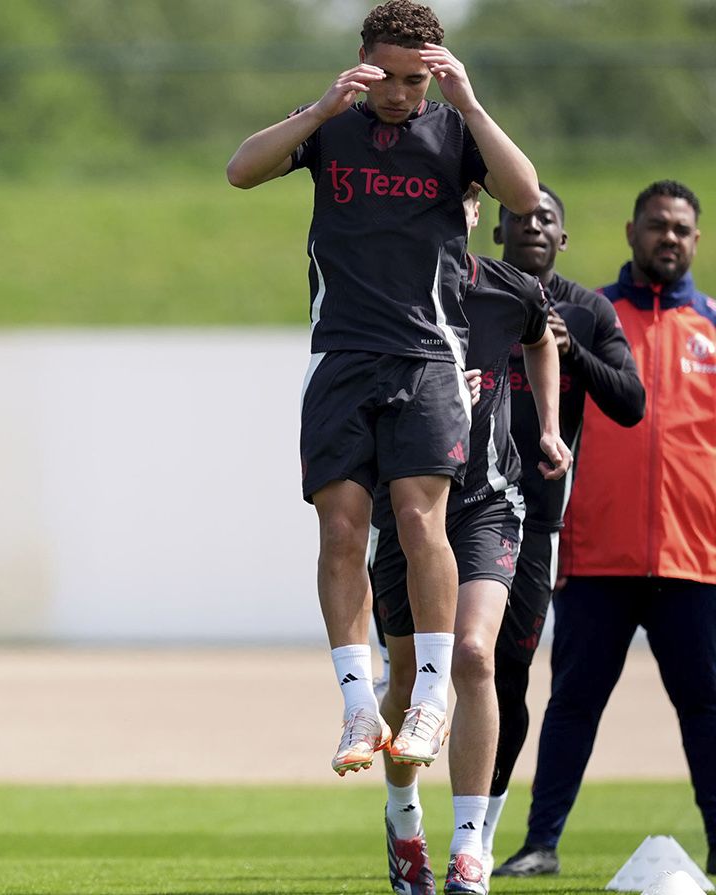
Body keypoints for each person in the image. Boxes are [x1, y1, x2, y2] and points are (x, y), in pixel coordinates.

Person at [225, 0, 539, 776]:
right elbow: (241, 170)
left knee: (416, 515)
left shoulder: (454, 131)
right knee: (341, 528)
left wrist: (467, 101)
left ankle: (429, 696)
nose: (399, 94)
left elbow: (525, 194)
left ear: (433, 74)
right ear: (363, 64)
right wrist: (323, 106)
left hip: (428, 357)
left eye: (414, 80)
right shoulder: (332, 126)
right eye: (386, 78)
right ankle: (359, 704)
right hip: (340, 356)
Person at [498, 180, 716, 878]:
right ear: (631, 232)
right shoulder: (589, 314)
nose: (669, 238)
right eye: (657, 225)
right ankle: (540, 844)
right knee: (572, 706)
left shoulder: (711, 328)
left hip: (695, 559)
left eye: (681, 228)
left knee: (706, 711)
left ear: (697, 240)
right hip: (596, 554)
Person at [368, 184, 568, 895]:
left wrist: (546, 425)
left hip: (487, 502)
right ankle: (402, 819)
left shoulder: (506, 289)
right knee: (402, 682)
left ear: (478, 210)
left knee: (474, 656)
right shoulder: (385, 290)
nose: (451, 212)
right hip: (406, 513)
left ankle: (469, 848)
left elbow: (542, 337)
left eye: (464, 202)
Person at [482, 184, 645, 867]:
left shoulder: (587, 310)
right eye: (520, 216)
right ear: (498, 232)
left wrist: (571, 351)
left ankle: (478, 834)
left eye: (546, 218)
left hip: (535, 521)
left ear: (564, 238)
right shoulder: (468, 294)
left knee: (509, 676)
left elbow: (632, 402)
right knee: (433, 667)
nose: (533, 225)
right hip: (458, 509)